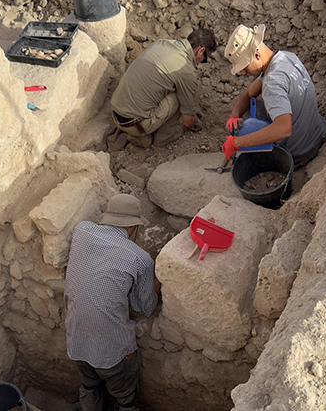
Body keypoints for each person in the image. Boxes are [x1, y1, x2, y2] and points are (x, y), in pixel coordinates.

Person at [64, 194, 160, 411]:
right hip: (113, 352)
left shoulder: (82, 231)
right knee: (125, 398)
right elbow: (143, 307)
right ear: (133, 226)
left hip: (76, 339)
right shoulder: (139, 258)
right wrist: (158, 281)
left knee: (89, 385)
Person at [222, 24, 326, 165]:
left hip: (299, 152)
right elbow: (248, 94)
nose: (242, 73)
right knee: (254, 103)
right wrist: (234, 115)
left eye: (244, 67)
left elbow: (283, 129)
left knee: (250, 126)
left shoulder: (272, 82)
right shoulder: (287, 57)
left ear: (257, 55)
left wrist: (236, 143)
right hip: (317, 133)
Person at [111, 29, 217, 148]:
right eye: (205, 59)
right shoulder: (185, 70)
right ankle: (162, 139)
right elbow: (188, 121)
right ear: (200, 51)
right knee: (180, 97)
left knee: (173, 86)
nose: (201, 63)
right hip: (134, 125)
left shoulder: (162, 43)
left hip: (115, 112)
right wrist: (197, 122)